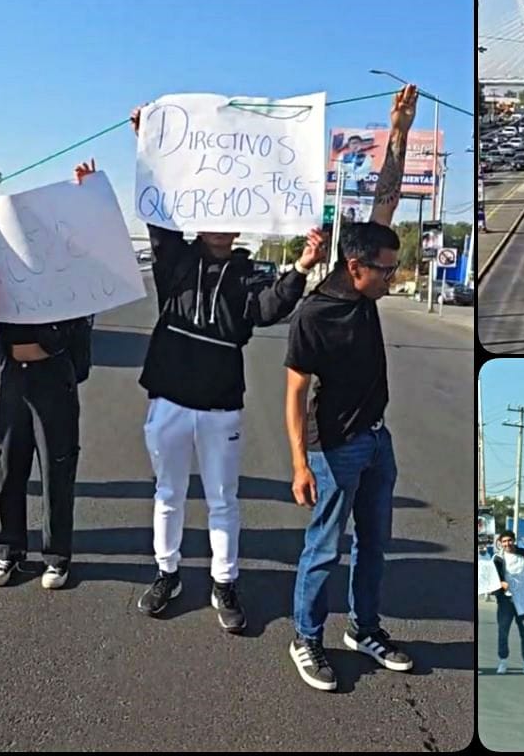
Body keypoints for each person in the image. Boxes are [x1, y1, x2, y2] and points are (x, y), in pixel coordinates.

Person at [123, 92, 329, 638]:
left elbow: (268, 310)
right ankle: (167, 574)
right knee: (167, 495)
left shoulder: (249, 275)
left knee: (223, 500)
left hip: (219, 406)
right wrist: (146, 142)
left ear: (240, 227)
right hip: (167, 397)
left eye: (229, 219)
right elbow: (158, 212)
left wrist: (302, 267)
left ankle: (224, 581)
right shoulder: (174, 260)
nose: (219, 226)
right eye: (210, 216)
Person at [282, 85, 421, 690]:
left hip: (376, 440)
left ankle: (364, 628)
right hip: (332, 446)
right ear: (356, 267)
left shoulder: (369, 267)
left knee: (374, 547)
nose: (396, 276)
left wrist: (400, 131)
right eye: (388, 270)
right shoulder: (315, 313)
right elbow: (292, 393)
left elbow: (386, 196)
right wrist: (298, 465)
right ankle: (306, 639)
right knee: (323, 549)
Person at [0, 165, 94, 590]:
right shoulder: (5, 265)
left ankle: (56, 556)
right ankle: (8, 551)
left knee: (57, 466)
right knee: (9, 465)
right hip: (14, 375)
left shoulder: (68, 269)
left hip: (54, 377)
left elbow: (91, 247)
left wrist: (87, 195)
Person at [492, 531, 524, 676]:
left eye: (509, 540)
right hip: (505, 600)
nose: (507, 543)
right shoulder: (497, 558)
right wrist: (501, 583)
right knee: (503, 631)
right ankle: (503, 662)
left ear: (514, 541)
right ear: (500, 543)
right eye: (504, 541)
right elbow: (493, 577)